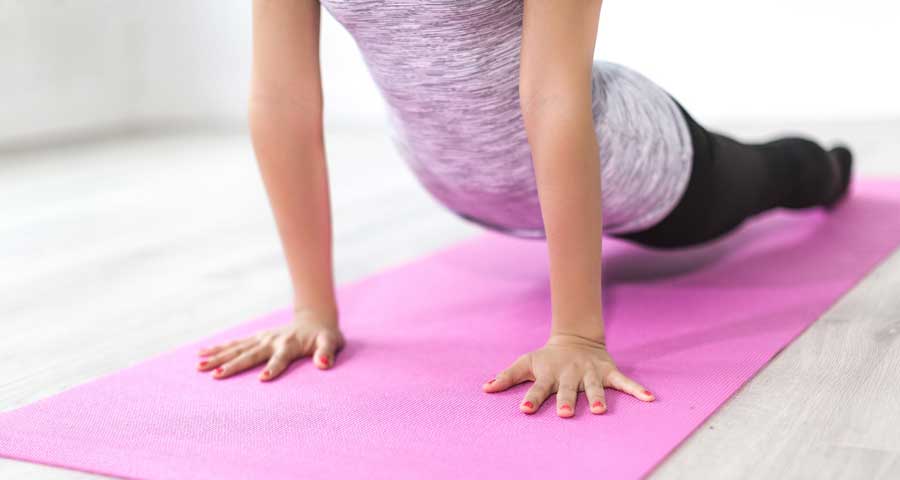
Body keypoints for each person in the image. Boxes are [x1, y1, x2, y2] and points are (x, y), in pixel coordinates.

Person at [195, 0, 853, 418]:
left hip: (639, 165)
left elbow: (554, 98)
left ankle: (823, 168)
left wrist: (577, 337)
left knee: (778, 173)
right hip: (465, 183)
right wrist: (313, 310)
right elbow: (283, 101)